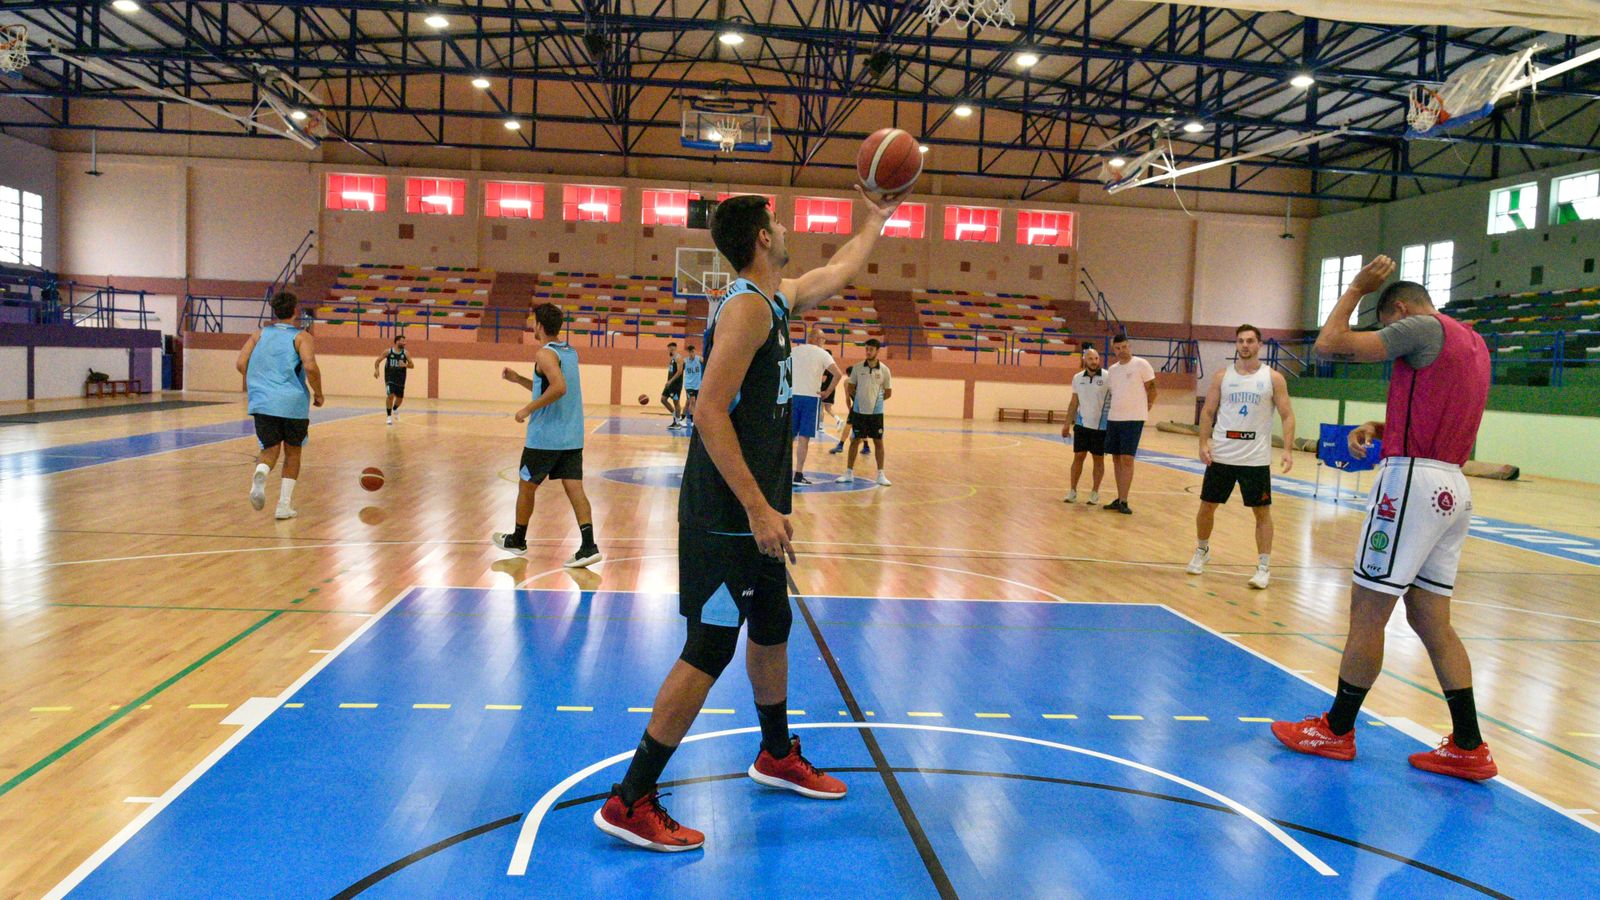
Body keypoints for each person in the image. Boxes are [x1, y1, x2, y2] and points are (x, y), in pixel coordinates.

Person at [598, 188, 903, 852]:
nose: (787, 227)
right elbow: (708, 411)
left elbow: (838, 271)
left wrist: (877, 218)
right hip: (726, 517)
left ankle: (774, 755)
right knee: (709, 648)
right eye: (778, 221)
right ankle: (631, 798)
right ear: (762, 238)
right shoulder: (744, 309)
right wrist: (761, 506)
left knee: (771, 625)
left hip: (755, 515)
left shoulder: (775, 299)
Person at [1272, 257, 1498, 781]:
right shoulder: (1473, 341)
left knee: (1369, 609)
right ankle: (1468, 745)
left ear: (1398, 310)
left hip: (1412, 484)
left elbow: (1329, 344)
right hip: (1451, 487)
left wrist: (1355, 288)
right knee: (1430, 619)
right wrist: (1384, 425)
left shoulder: (1419, 326)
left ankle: (1336, 729)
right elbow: (1444, 409)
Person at [491, 302, 602, 568]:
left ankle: (518, 539)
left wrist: (527, 409)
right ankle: (589, 546)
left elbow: (559, 388)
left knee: (526, 487)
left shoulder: (544, 354)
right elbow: (550, 387)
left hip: (545, 439)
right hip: (571, 436)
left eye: (534, 321)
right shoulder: (569, 352)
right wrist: (519, 379)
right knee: (575, 488)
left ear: (539, 325)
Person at [1187, 324, 1296, 589]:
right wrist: (1203, 443)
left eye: (1250, 341)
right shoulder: (1222, 377)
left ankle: (1263, 567)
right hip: (1222, 455)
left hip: (1255, 459)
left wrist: (1288, 449)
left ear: (1259, 345)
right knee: (1207, 506)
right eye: (1240, 341)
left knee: (1262, 513)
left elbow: (1287, 414)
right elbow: (1208, 412)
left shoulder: (1273, 378)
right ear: (1236, 345)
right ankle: (1202, 550)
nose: (1245, 345)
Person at [236, 291, 323, 520]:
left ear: (274, 311)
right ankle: (283, 506)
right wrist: (319, 393)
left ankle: (261, 471)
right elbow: (311, 367)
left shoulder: (258, 334)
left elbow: (240, 363)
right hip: (292, 402)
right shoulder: (301, 336)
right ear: (295, 310)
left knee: (269, 450)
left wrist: (260, 381)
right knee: (293, 453)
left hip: (263, 402)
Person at [1101, 334, 1156, 513]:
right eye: (1118, 348)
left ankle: (1124, 500)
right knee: (1116, 458)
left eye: (1124, 347)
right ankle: (1119, 497)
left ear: (1129, 346)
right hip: (1115, 418)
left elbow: (1153, 390)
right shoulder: (1113, 370)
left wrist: (1144, 409)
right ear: (1113, 349)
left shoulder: (1141, 364)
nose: (1121, 351)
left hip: (1133, 419)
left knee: (1127, 458)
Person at [790, 324, 843, 485]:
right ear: (819, 339)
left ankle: (780, 471)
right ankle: (798, 474)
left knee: (788, 437)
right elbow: (838, 374)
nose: (824, 342)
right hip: (810, 399)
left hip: (792, 397)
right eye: (824, 339)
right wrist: (827, 392)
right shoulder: (823, 354)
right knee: (804, 438)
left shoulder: (795, 350)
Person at [836, 339, 892, 486]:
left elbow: (888, 392)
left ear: (877, 351)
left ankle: (880, 474)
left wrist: (875, 403)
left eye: (871, 349)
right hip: (859, 412)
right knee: (855, 441)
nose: (868, 351)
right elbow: (851, 387)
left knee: (878, 442)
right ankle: (848, 473)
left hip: (876, 414)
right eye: (866, 349)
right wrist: (861, 401)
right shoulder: (857, 368)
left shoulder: (884, 370)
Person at [1062, 345, 1109, 505]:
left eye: (1096, 358)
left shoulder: (1108, 377)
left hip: (1101, 427)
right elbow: (1074, 402)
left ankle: (1095, 492)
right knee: (1078, 457)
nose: (1094, 361)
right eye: (1090, 358)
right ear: (1084, 359)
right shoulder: (1077, 378)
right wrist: (1066, 424)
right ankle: (1073, 490)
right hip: (1082, 425)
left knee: (1098, 459)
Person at [373, 333, 413, 425]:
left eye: (405, 341)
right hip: (389, 378)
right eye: (403, 341)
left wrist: (405, 365)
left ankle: (395, 408)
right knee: (390, 395)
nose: (405, 343)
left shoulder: (406, 353)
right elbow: (378, 361)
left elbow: (412, 365)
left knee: (399, 399)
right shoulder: (388, 352)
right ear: (397, 341)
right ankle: (388, 416)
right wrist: (376, 370)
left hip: (401, 379)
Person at [661, 342, 685, 429]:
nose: (669, 350)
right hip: (670, 384)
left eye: (670, 348)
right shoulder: (672, 358)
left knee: (676, 402)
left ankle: (677, 423)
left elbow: (679, 372)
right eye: (668, 348)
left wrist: (670, 381)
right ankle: (676, 417)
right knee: (663, 399)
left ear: (674, 348)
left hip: (676, 385)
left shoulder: (679, 358)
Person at [682, 343, 703, 427]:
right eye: (690, 352)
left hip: (697, 385)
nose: (691, 354)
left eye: (693, 352)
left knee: (688, 403)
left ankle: (681, 418)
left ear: (695, 351)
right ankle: (692, 420)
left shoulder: (699, 359)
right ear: (688, 352)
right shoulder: (685, 361)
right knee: (692, 401)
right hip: (688, 385)